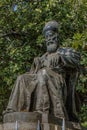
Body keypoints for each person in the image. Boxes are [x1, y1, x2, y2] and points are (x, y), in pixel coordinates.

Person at [4, 21, 80, 121]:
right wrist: (37, 63)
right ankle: (13, 109)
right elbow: (33, 73)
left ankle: (42, 110)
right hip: (40, 78)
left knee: (43, 73)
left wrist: (61, 58)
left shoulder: (65, 51)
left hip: (58, 82)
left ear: (57, 36)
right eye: (47, 37)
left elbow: (76, 60)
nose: (49, 39)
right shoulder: (43, 56)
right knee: (22, 78)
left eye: (51, 36)